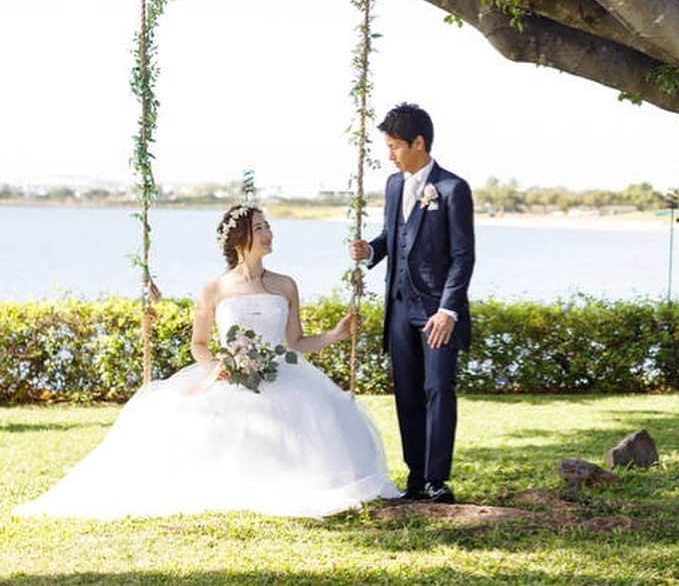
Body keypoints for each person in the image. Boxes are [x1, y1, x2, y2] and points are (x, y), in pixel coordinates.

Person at [14, 206, 400, 519]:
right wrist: (216, 364)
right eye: (260, 226)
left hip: (283, 373)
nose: (269, 232)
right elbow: (198, 344)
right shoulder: (214, 288)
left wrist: (334, 334)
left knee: (320, 414)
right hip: (229, 375)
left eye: (269, 225)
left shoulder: (286, 284)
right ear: (239, 239)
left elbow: (295, 343)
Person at [350, 103, 474, 504]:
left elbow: (462, 256)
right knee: (406, 392)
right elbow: (392, 236)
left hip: (438, 312)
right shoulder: (393, 185)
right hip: (399, 309)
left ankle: (438, 479)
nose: (390, 154)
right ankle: (417, 478)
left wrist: (448, 310)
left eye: (395, 146)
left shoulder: (454, 189)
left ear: (418, 142)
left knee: (438, 388)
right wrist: (370, 249)